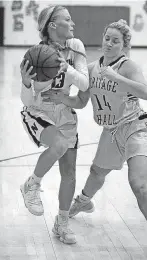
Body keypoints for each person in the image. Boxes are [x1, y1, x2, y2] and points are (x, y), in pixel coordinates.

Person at [41, 19, 147, 258]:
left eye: (115, 41)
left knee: (138, 183)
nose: (109, 43)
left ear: (124, 45)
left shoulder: (128, 66)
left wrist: (116, 77)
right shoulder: (91, 68)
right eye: (107, 38)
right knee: (97, 172)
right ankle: (83, 201)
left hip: (137, 128)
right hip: (111, 131)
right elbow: (80, 101)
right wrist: (61, 98)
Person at [20, 4, 89, 244]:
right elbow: (27, 99)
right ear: (52, 25)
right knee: (58, 145)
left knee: (69, 173)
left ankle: (62, 224)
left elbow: (84, 84)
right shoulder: (36, 54)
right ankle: (31, 184)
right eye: (67, 20)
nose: (72, 24)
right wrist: (26, 83)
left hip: (65, 112)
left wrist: (66, 68)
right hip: (39, 112)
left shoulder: (75, 46)